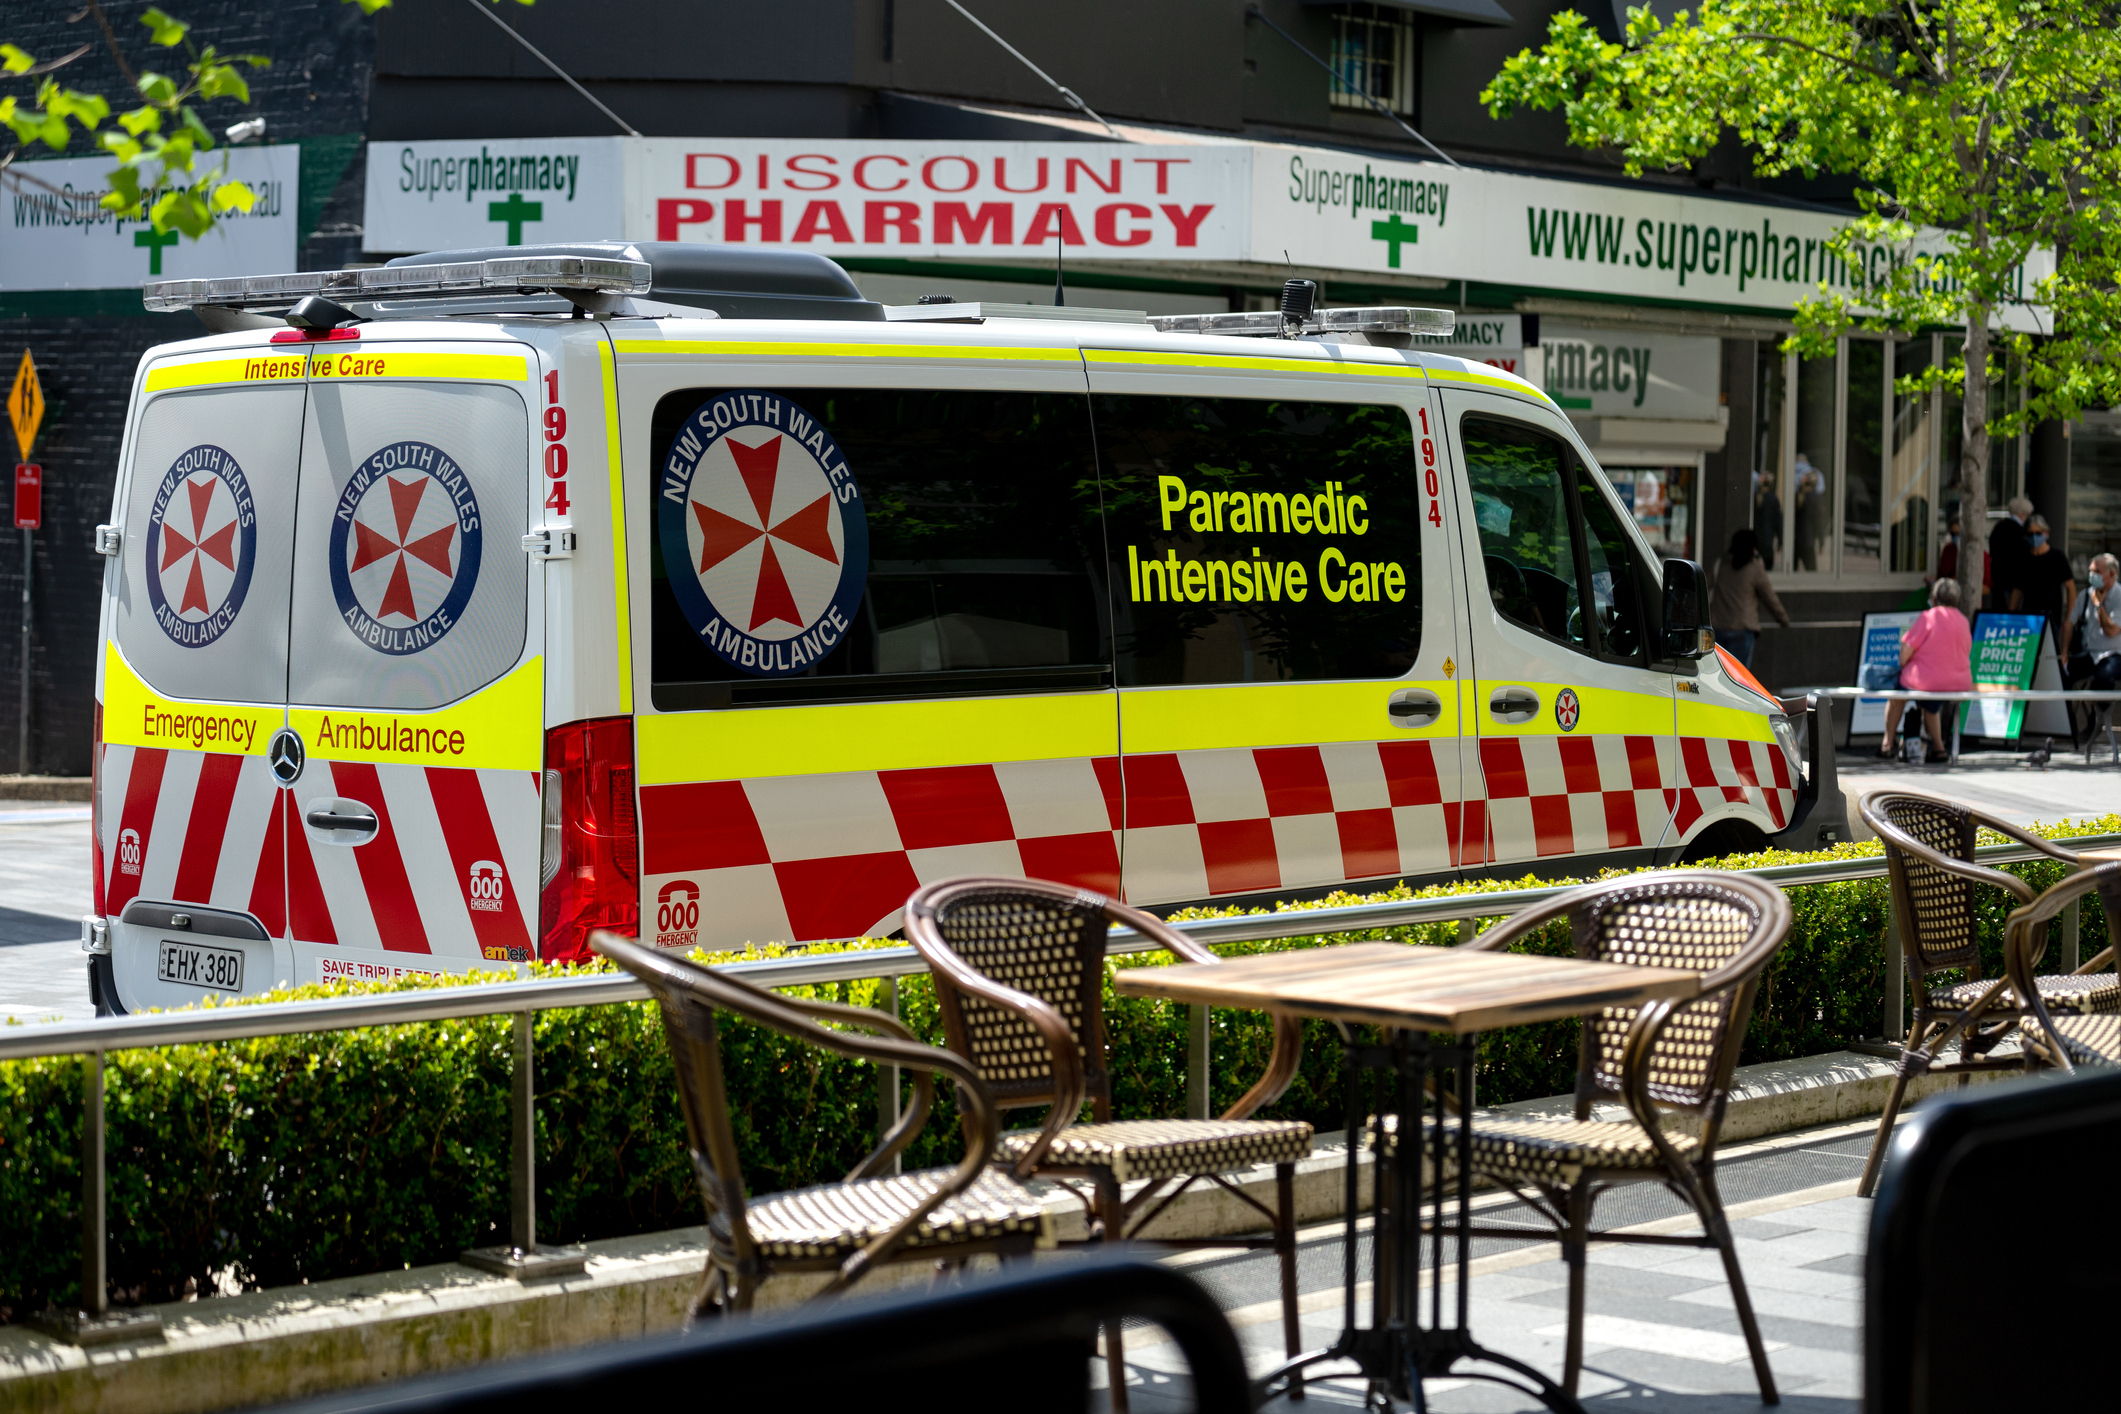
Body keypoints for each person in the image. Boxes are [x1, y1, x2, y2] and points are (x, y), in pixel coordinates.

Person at [1880, 577, 1972, 763]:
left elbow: (1907, 649)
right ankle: (1938, 748)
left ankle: (1887, 743)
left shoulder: (1929, 617)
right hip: (1958, 682)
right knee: (1930, 705)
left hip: (1926, 681)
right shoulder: (1963, 620)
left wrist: (1904, 664)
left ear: (1934, 597)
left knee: (1898, 696)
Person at [1709, 528, 1789, 667]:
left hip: (1717, 628)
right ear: (1753, 548)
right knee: (1738, 679)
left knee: (1719, 674)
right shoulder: (1754, 567)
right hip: (1742, 630)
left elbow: (1704, 584)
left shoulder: (1721, 564)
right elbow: (1769, 597)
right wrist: (1783, 619)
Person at [2021, 513, 2076, 649]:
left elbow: (2070, 587)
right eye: (2030, 533)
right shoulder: (2024, 558)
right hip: (2028, 618)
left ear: (2046, 533)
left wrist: (2069, 618)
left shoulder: (2057, 557)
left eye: (2038, 533)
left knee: (2049, 655)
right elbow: (2018, 589)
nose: (2034, 537)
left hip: (2052, 618)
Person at [1987, 495, 2034, 611]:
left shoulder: (1999, 527)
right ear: (2023, 513)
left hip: (1997, 579)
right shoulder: (2020, 532)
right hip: (2014, 582)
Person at [1791, 455, 1825, 571]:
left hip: (1795, 540)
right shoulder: (1816, 498)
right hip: (1807, 540)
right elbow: (1819, 521)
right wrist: (1821, 541)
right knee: (1812, 572)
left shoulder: (1798, 496)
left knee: (1792, 572)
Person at [1752, 471, 1783, 570]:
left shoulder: (1754, 498)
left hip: (1754, 539)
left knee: (1753, 567)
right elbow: (1778, 522)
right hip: (1767, 540)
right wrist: (1780, 540)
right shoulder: (1773, 499)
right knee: (1768, 568)